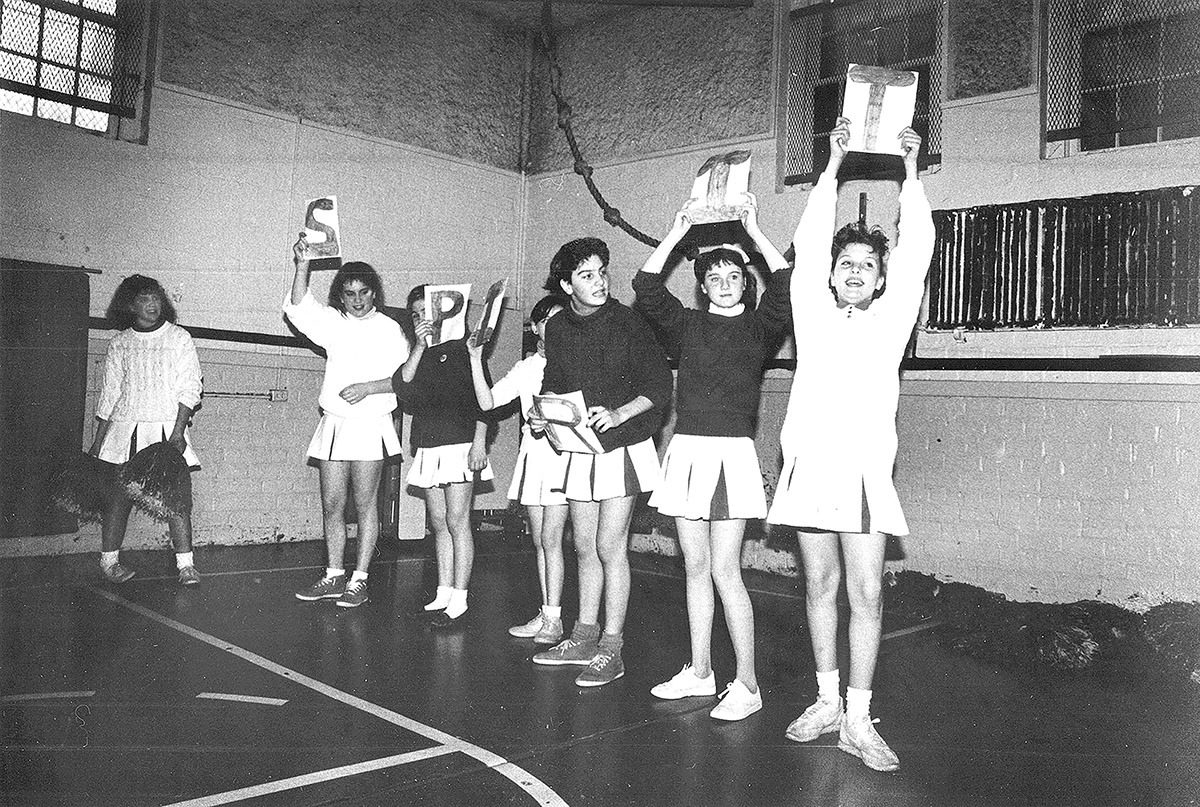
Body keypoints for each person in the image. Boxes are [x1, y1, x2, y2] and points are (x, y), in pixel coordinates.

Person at [770, 118, 934, 771]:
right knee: (818, 584)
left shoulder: (892, 322)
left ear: (879, 277)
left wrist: (911, 174)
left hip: (864, 474)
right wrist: (832, 166)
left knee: (865, 592)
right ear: (832, 276)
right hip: (810, 469)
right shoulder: (811, 313)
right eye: (848, 263)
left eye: (869, 263)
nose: (857, 270)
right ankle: (827, 700)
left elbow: (916, 248)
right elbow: (808, 242)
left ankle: (859, 720)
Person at [633, 193, 791, 720]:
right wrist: (677, 231)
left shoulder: (760, 328)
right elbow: (647, 287)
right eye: (715, 278)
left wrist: (752, 229)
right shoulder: (687, 327)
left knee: (726, 571)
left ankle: (748, 684)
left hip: (731, 458)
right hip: (689, 455)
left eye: (734, 276)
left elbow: (786, 284)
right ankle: (700, 672)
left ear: (746, 281)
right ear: (702, 286)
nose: (725, 284)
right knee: (694, 567)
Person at [531, 238, 673, 687]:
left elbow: (659, 387)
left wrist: (618, 414)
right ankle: (584, 636)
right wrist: (542, 414)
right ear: (566, 283)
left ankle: (613, 648)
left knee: (611, 546)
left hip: (624, 445)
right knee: (583, 545)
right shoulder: (557, 329)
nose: (599, 281)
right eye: (587, 275)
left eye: (602, 272)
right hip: (579, 448)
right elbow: (555, 384)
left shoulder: (629, 322)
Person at [286, 235, 408, 608]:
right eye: (349, 293)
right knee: (332, 504)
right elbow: (298, 307)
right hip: (336, 423)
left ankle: (360, 579)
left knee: (366, 504)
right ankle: (334, 574)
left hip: (371, 423)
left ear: (374, 294)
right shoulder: (332, 322)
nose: (357, 300)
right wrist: (303, 264)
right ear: (341, 296)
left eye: (364, 292)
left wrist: (369, 388)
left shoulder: (389, 328)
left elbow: (407, 378)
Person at [466, 294, 570, 645]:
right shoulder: (527, 368)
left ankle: (555, 621)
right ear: (537, 327)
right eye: (546, 321)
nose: (553, 328)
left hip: (566, 456)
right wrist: (476, 358)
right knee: (541, 540)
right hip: (535, 454)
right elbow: (487, 402)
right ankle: (548, 613)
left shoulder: (579, 362)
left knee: (553, 539)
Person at [90, 274, 203, 586]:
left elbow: (190, 388)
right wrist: (98, 445)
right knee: (117, 499)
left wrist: (178, 432)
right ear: (130, 305)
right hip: (123, 431)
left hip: (167, 430)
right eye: (144, 299)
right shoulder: (119, 343)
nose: (152, 304)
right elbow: (110, 396)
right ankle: (109, 562)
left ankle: (186, 565)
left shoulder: (179, 338)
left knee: (177, 499)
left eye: (156, 298)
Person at [395, 284, 493, 629]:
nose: (422, 318)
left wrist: (479, 443)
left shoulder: (465, 349)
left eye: (427, 311)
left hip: (461, 443)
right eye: (416, 314)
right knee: (438, 522)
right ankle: (444, 588)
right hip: (429, 444)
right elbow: (403, 389)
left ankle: (461, 597)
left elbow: (485, 403)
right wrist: (420, 346)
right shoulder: (418, 354)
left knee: (457, 520)